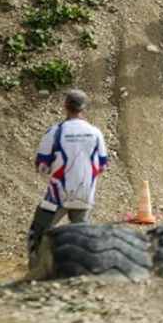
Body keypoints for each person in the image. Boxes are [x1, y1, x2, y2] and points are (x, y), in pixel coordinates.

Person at [26, 89, 109, 261]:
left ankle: (36, 265)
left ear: (65, 105)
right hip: (85, 193)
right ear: (84, 107)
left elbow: (42, 165)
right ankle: (81, 267)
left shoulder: (56, 131)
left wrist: (51, 169)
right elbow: (102, 165)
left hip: (57, 194)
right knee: (81, 235)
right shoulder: (95, 133)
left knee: (39, 231)